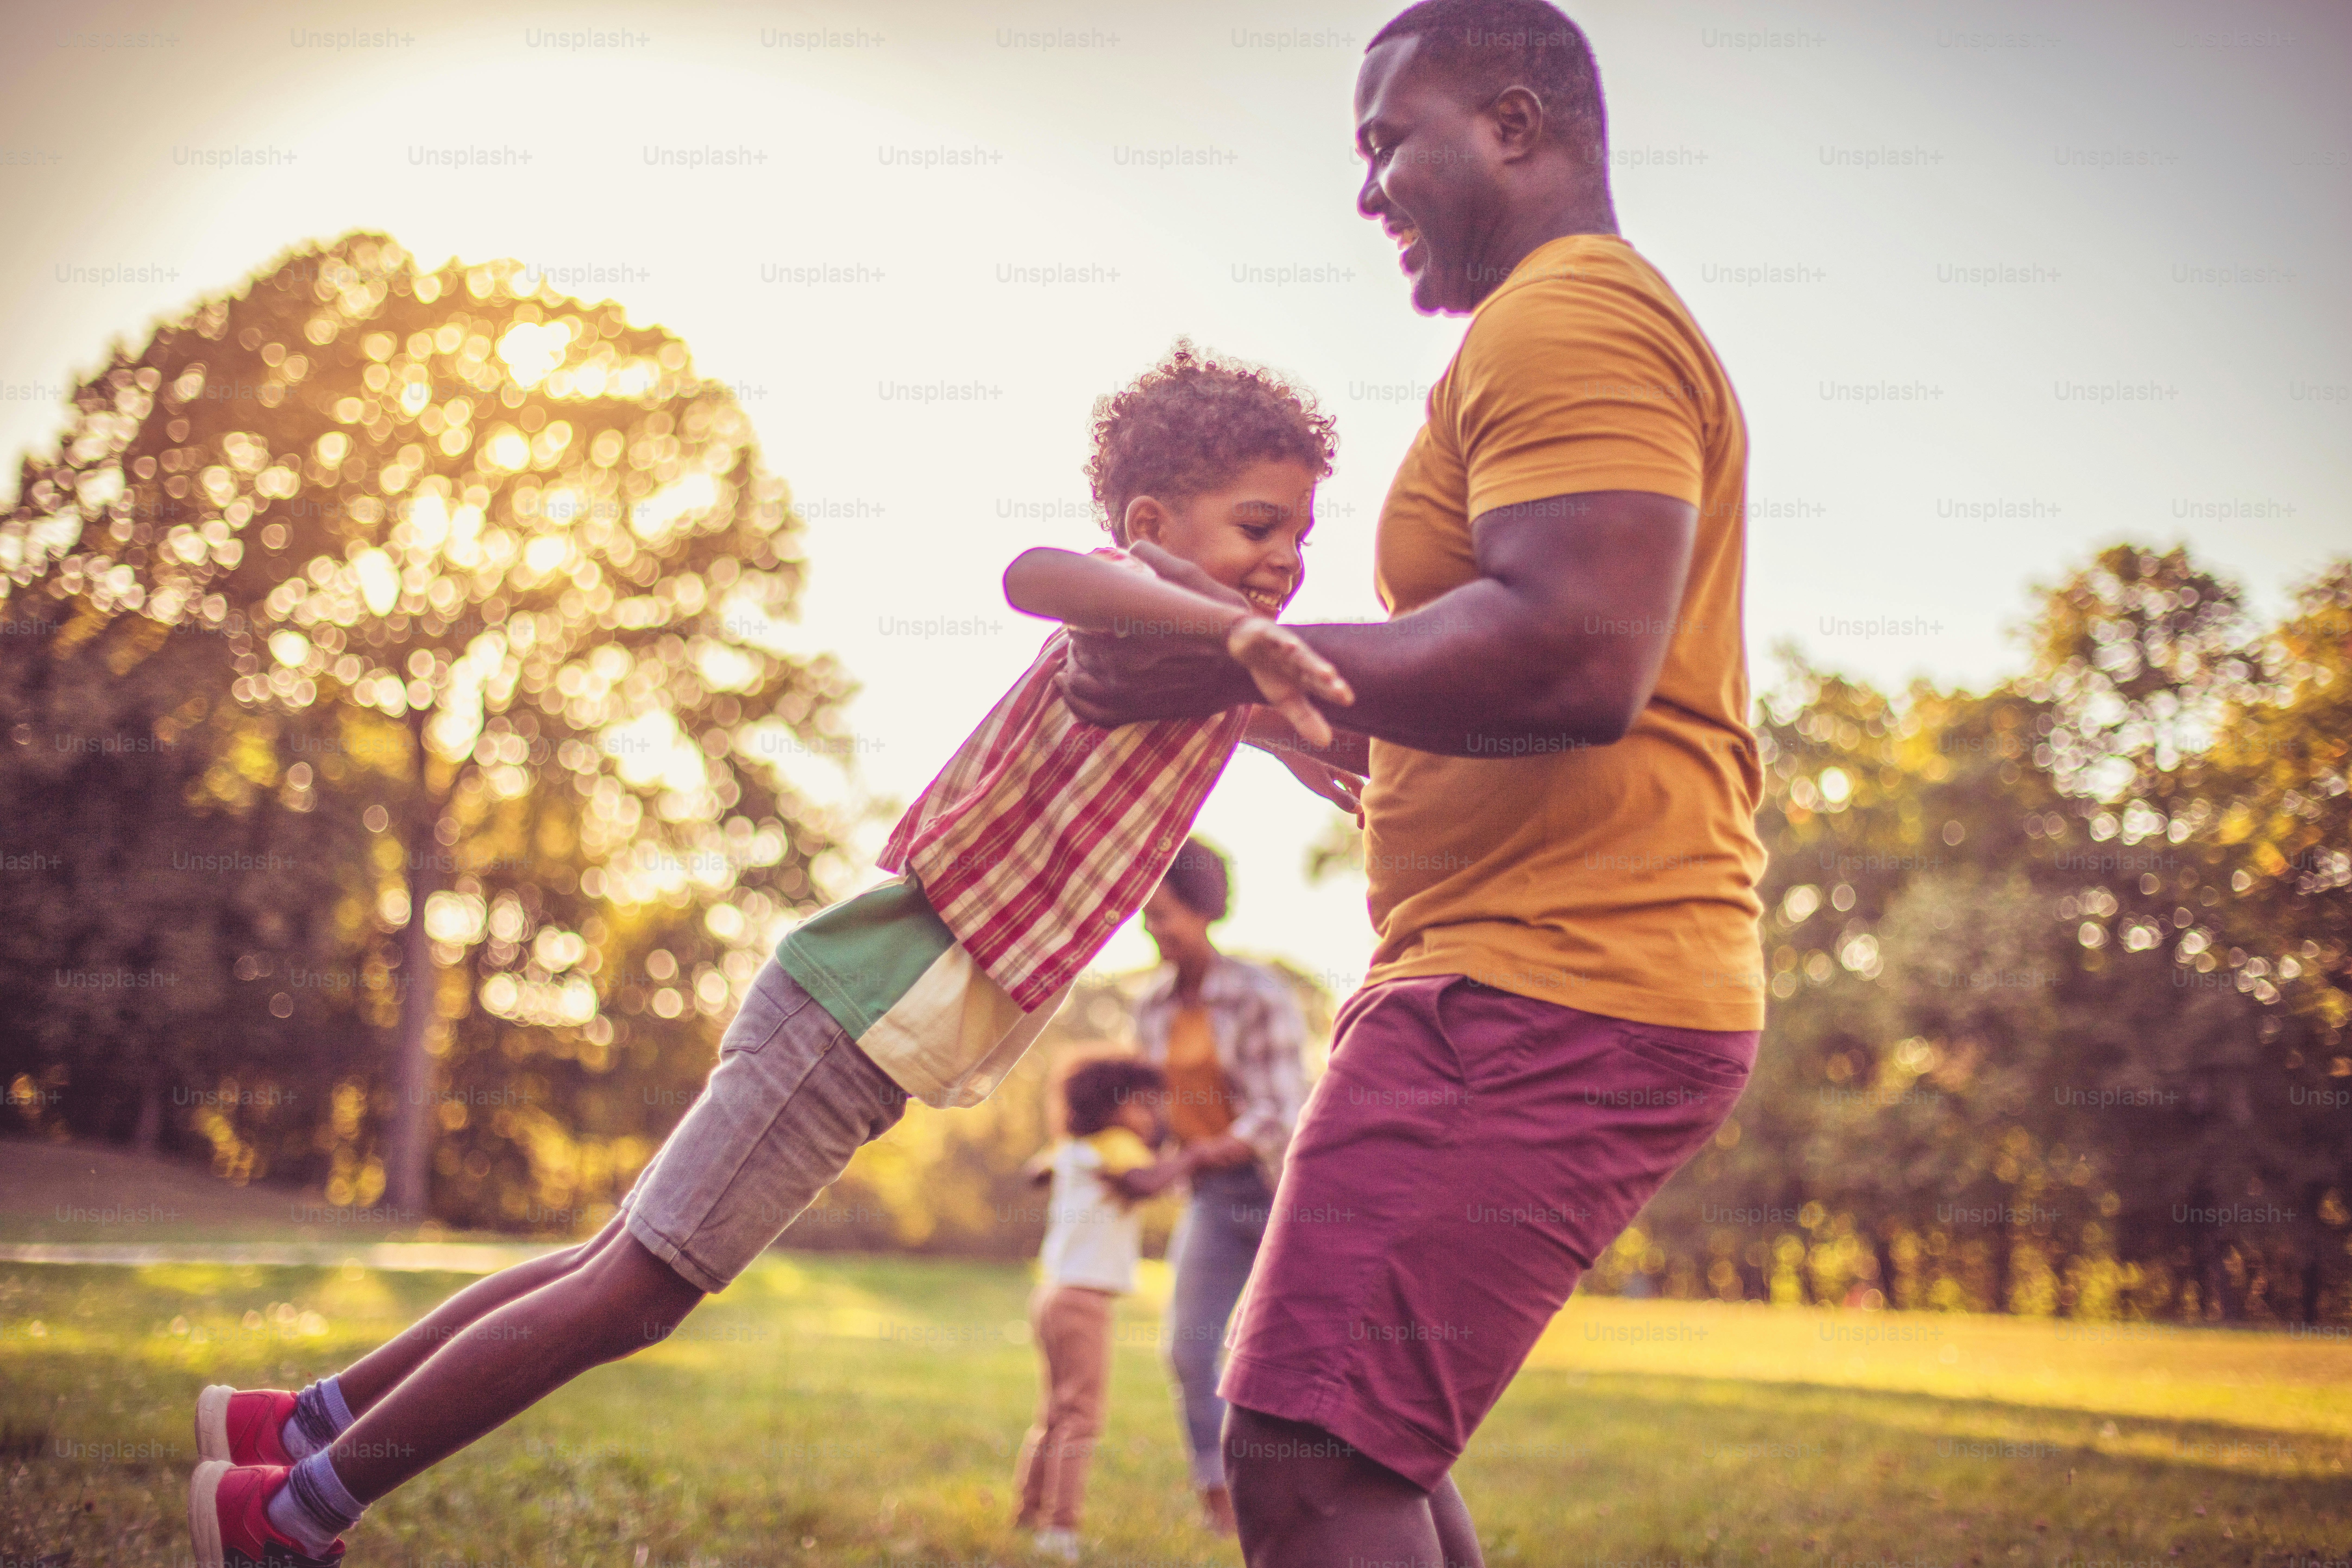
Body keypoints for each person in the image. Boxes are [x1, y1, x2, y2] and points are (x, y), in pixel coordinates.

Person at [185, 343, 1363, 1568]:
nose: (1283, 561)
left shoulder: (1210, 672)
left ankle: (299, 1426)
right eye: (1259, 525)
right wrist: (1247, 648)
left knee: (608, 1262)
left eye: (1301, 537)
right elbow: (1038, 571)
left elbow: (1300, 712)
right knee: (636, 1290)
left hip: (851, 1017)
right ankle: (286, 1516)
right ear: (1152, 523)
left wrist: (1321, 746)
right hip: (852, 1013)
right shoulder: (1126, 617)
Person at [1058, 4, 1768, 1564]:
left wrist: (1225, 653)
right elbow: (1514, 679)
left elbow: (1577, 651)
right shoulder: (1546, 333)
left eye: (1388, 140)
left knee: (1304, 1441)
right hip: (1521, 972)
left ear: (1513, 126)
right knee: (1360, 1433)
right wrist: (1292, 717)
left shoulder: (1567, 316)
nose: (1366, 190)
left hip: (1551, 985)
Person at [1130, 838, 1307, 1535]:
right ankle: (1221, 1497)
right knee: (1189, 1346)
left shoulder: (1259, 993)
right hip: (1210, 1193)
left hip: (1283, 1192)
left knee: (1289, 1353)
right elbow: (1155, 1111)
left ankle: (1314, 1493)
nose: (1153, 930)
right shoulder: (1152, 1006)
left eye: (1164, 915)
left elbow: (1278, 1114)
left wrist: (1185, 1158)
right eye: (1146, 917)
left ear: (1205, 910)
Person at [1013, 1057, 1196, 1561]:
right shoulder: (1118, 1145)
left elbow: (1035, 1172)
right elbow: (1148, 1185)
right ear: (1110, 1105)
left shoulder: (1075, 1145)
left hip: (1051, 1293)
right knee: (1082, 1418)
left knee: (1053, 1412)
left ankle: (1027, 1512)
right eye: (1143, 1103)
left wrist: (1078, 1168)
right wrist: (1192, 1158)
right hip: (1086, 1300)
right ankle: (1060, 1529)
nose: (1152, 1114)